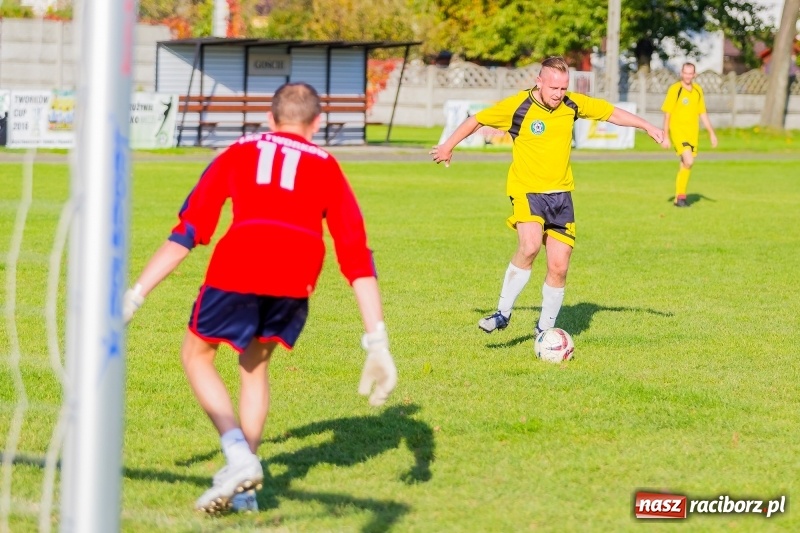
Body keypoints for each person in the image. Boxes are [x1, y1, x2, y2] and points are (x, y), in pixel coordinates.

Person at [123, 82, 398, 514]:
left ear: (269, 119)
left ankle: (238, 456)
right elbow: (356, 256)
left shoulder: (239, 150)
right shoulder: (328, 164)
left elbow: (189, 230)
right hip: (296, 277)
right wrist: (376, 340)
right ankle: (245, 490)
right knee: (254, 368)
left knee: (197, 356)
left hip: (240, 263)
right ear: (317, 123)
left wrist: (135, 295)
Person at [429, 56, 664, 339]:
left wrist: (647, 126)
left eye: (563, 88)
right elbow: (476, 120)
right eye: (553, 88)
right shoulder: (519, 106)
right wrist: (447, 146)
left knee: (559, 266)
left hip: (561, 195)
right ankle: (502, 313)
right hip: (527, 191)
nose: (558, 94)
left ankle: (545, 331)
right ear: (539, 81)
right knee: (529, 247)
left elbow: (610, 113)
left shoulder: (572, 104)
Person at [660, 62, 718, 207]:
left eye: (690, 73)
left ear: (694, 74)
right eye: (685, 73)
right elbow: (667, 114)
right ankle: (680, 198)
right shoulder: (675, 89)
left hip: (692, 134)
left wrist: (712, 133)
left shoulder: (697, 90)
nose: (687, 76)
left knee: (685, 165)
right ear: (681, 73)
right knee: (689, 161)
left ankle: (679, 198)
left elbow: (702, 113)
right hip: (678, 132)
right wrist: (665, 135)